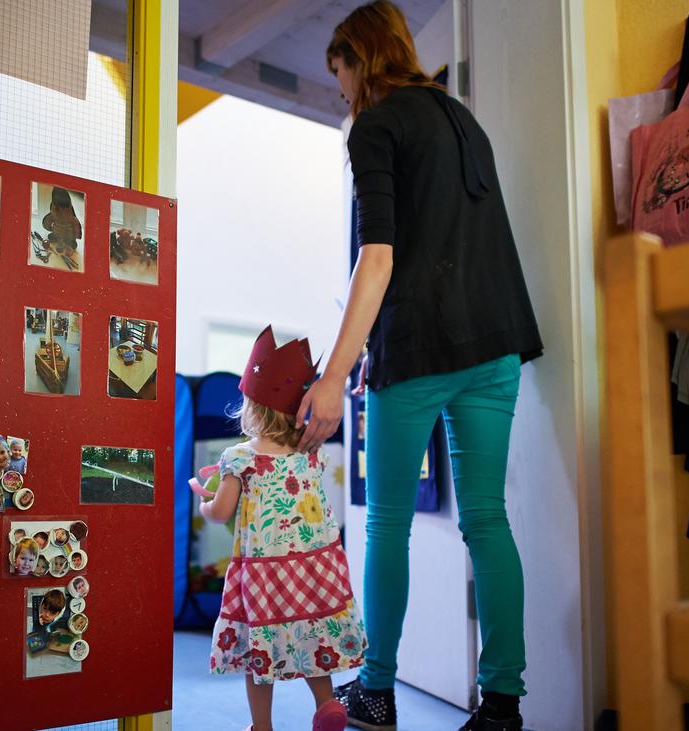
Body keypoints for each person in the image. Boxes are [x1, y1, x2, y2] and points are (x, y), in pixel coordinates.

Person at [301, 4, 544, 730]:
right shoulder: (462, 119)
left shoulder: (376, 125)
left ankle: (376, 690)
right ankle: (502, 705)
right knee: (487, 519)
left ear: (361, 59)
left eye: (341, 74)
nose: (342, 92)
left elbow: (377, 257)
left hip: (418, 347)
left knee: (387, 523)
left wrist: (334, 375)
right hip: (495, 345)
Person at [199, 326, 365, 731]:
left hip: (264, 577)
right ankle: (327, 704)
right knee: (312, 638)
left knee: (260, 653)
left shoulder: (240, 457)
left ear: (251, 409)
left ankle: (262, 726)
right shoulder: (310, 452)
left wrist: (203, 501)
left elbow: (221, 512)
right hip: (311, 571)